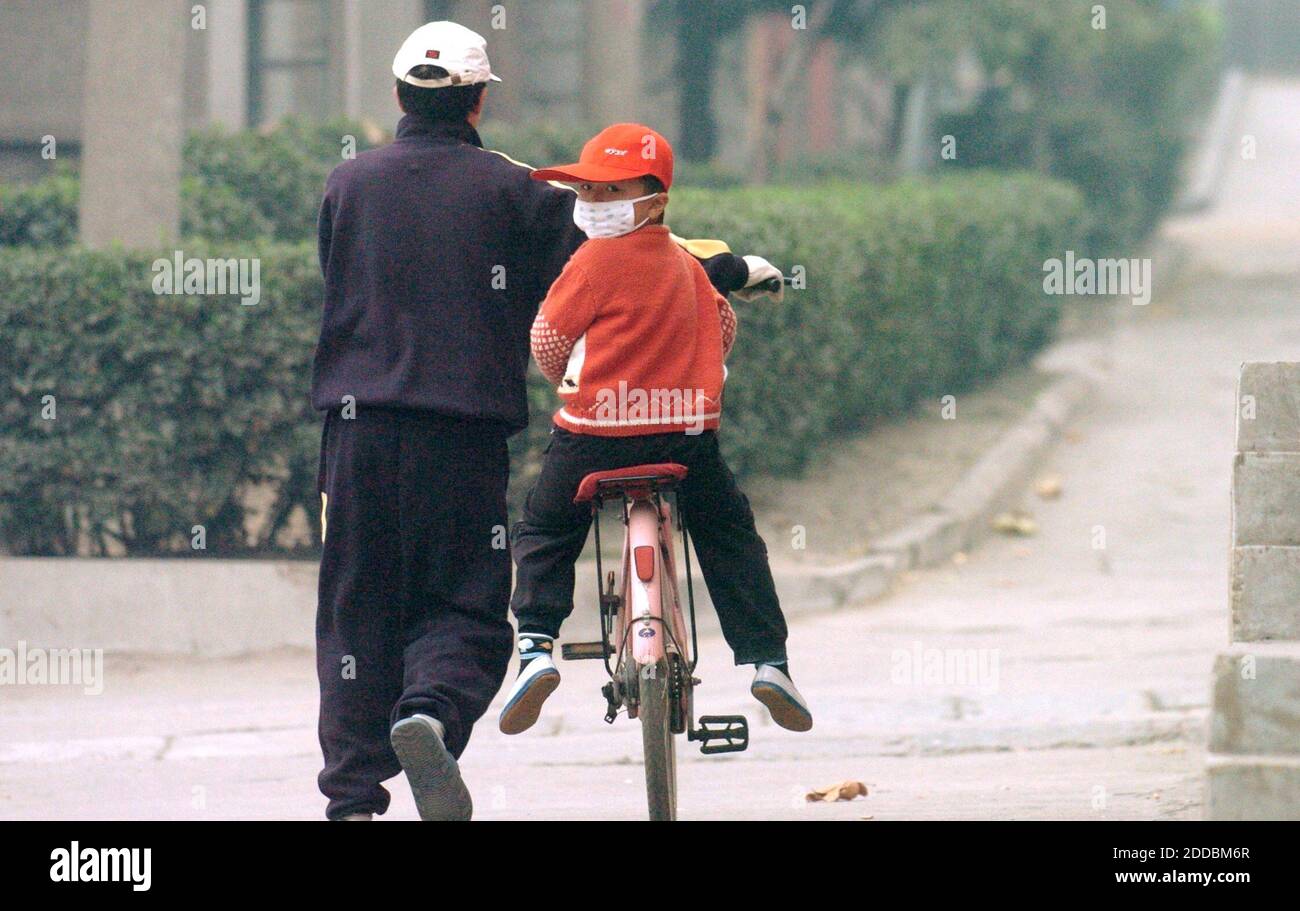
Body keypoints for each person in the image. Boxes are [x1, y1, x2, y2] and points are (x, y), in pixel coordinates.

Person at [312, 22, 786, 821]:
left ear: (398, 96)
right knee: (460, 605)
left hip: (355, 436)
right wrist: (731, 268)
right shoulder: (516, 189)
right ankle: (428, 711)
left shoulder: (347, 183)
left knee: (354, 613)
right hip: (460, 435)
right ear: (479, 99)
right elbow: (636, 259)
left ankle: (353, 798)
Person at [499, 123, 813, 738]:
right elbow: (721, 329)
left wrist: (564, 374)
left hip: (592, 438)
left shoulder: (587, 263)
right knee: (728, 533)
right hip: (684, 438)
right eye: (588, 192)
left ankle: (535, 647)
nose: (595, 205)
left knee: (545, 528)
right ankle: (767, 661)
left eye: (612, 192)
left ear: (655, 198)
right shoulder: (686, 266)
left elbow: (547, 339)